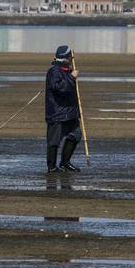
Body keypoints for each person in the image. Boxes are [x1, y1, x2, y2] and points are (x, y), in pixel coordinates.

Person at [45, 44, 83, 172]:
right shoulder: (54, 71)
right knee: (54, 141)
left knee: (76, 135)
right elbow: (60, 89)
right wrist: (72, 77)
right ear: (66, 58)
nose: (72, 60)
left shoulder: (67, 70)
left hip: (70, 112)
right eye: (70, 58)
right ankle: (51, 167)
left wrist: (77, 110)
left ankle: (65, 162)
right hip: (57, 112)